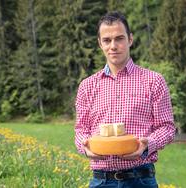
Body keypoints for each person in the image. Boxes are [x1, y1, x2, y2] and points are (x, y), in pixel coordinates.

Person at [75, 11, 176, 188]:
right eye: (107, 40)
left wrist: (147, 145)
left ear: (130, 39)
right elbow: (81, 129)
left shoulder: (154, 81)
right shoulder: (87, 86)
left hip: (141, 178)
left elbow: (167, 128)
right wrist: (85, 147)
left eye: (119, 38)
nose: (113, 46)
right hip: (101, 181)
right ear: (100, 44)